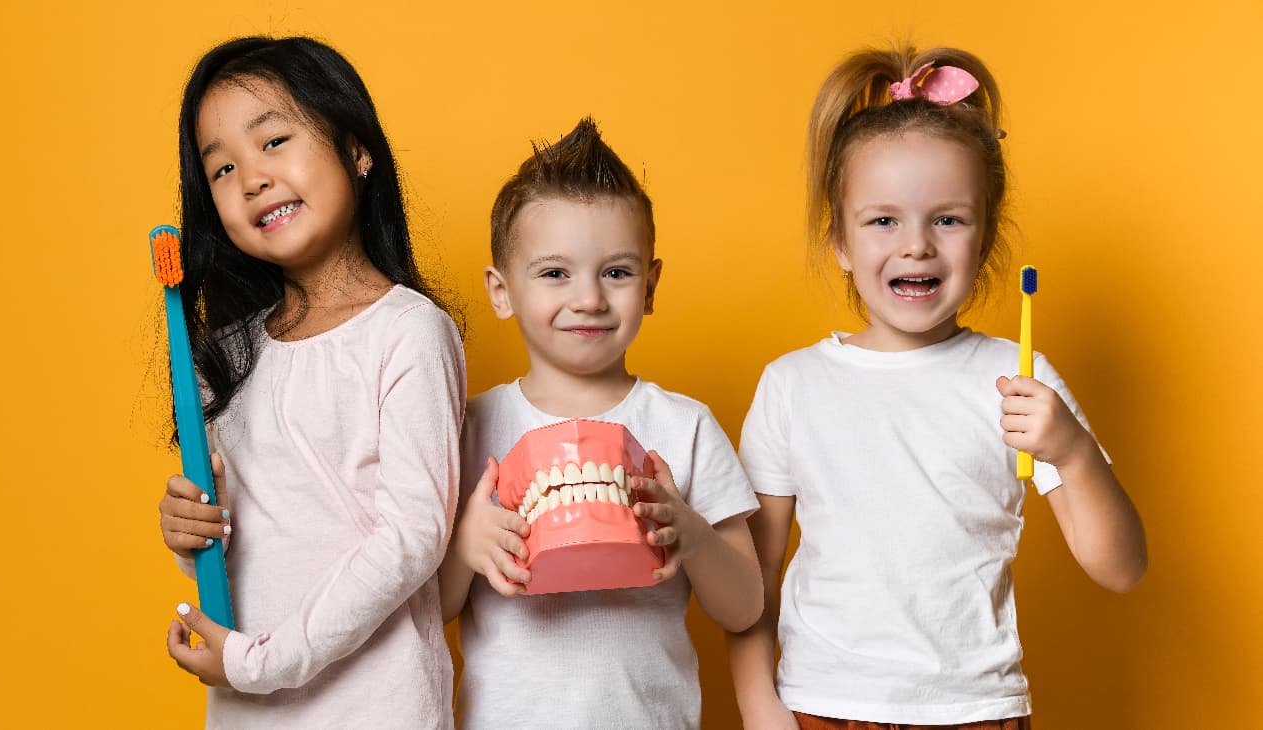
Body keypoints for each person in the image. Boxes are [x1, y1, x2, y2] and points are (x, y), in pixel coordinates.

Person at [730, 45, 1147, 729]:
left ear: (983, 240)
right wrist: (755, 701)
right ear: (838, 238)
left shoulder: (1017, 378)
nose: (916, 245)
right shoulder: (791, 386)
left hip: (975, 712)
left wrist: (1071, 451)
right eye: (883, 220)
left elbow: (1122, 567)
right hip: (822, 709)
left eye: (947, 219)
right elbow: (755, 577)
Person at [155, 35, 464, 729]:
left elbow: (411, 539)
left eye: (273, 142)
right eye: (222, 168)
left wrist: (267, 661)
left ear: (358, 150)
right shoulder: (225, 358)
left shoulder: (407, 332)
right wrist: (194, 532)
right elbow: (252, 542)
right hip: (245, 706)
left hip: (376, 706)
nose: (251, 179)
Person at [439, 117, 763, 729]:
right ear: (501, 291)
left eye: (615, 272)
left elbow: (746, 607)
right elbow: (429, 612)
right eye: (555, 273)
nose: (588, 297)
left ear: (651, 285)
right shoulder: (468, 427)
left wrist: (691, 534)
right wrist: (465, 547)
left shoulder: (685, 426)